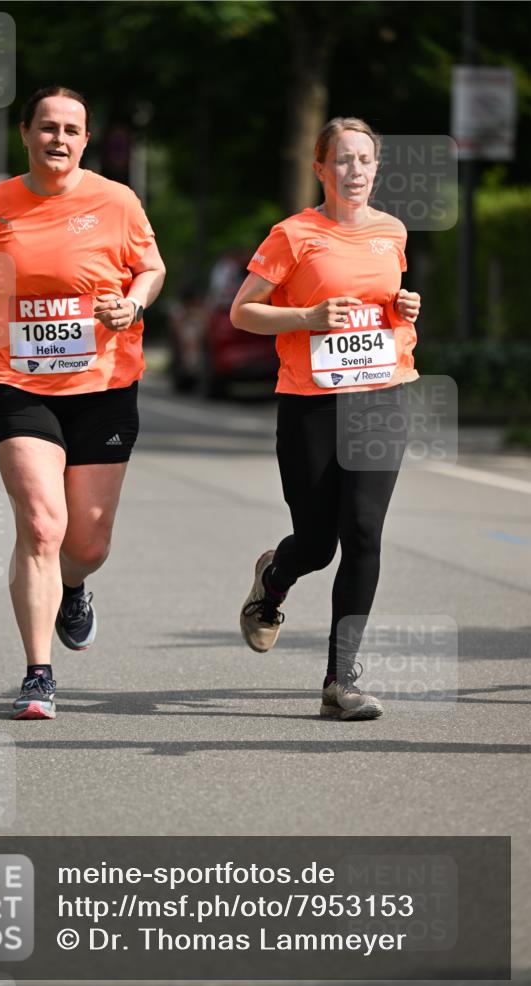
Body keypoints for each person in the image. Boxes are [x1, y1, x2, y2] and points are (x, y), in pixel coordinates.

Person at [0, 86, 166, 719]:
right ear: (26, 134)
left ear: (86, 139)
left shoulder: (116, 201)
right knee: (42, 525)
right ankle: (37, 673)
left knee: (88, 542)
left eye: (72, 129)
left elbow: (150, 268)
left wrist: (133, 303)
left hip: (103, 383)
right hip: (15, 381)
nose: (59, 139)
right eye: (48, 127)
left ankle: (75, 588)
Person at [231, 117, 421, 721]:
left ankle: (341, 679)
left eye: (365, 160)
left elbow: (387, 306)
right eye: (342, 160)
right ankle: (274, 579)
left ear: (376, 167)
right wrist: (307, 317)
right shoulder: (293, 235)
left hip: (382, 394)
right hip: (311, 401)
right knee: (318, 543)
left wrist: (405, 307)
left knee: (363, 532)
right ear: (321, 169)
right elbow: (244, 312)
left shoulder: (393, 232)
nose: (355, 171)